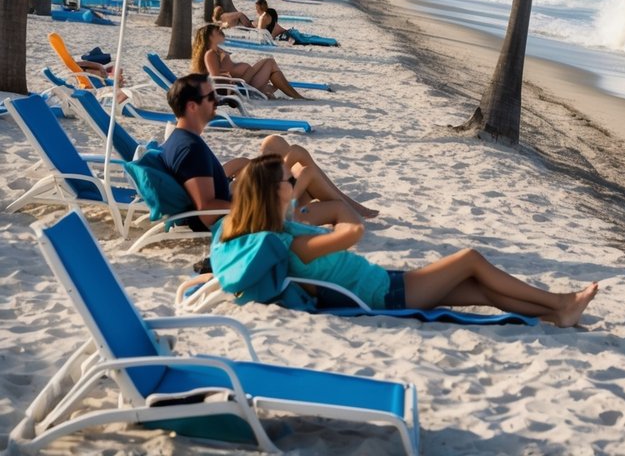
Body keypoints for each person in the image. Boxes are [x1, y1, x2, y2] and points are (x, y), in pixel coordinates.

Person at [215, 156, 598, 324]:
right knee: (470, 258)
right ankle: (561, 302)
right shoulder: (293, 242)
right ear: (273, 193)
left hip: (383, 283)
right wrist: (328, 217)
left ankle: (555, 314)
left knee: (480, 291)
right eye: (289, 182)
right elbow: (354, 232)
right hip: (386, 294)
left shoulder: (283, 232)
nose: (296, 185)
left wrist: (304, 210)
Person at [161, 74, 378, 225]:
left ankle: (351, 207)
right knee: (307, 172)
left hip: (236, 193)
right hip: (250, 214)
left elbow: (205, 184)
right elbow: (208, 212)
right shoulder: (190, 150)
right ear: (192, 106)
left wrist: (242, 170)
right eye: (210, 98)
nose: (217, 101)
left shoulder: (181, 139)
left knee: (275, 144)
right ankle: (351, 209)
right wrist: (259, 203)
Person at [191, 22, 303, 100]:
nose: (221, 31)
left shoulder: (218, 50)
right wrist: (230, 78)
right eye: (217, 31)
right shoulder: (210, 54)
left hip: (245, 82)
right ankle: (298, 97)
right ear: (209, 37)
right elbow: (216, 78)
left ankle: (297, 97)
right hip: (240, 85)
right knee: (269, 62)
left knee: (274, 76)